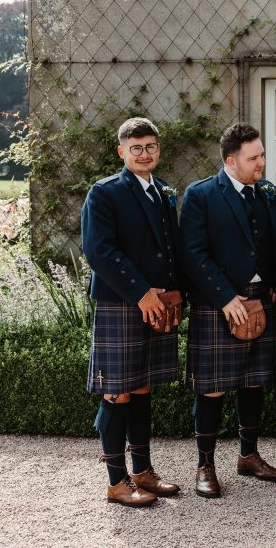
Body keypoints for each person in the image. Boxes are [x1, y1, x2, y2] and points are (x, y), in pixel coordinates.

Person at [82, 117, 183, 507]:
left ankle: (142, 471)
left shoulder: (162, 190)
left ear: (158, 149)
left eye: (150, 147)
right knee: (117, 390)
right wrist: (142, 293)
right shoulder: (104, 192)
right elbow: (100, 251)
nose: (144, 154)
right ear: (121, 151)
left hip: (158, 302)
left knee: (143, 386)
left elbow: (171, 247)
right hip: (122, 303)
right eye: (136, 148)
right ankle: (116, 481)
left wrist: (175, 292)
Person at [180, 123, 276, 498]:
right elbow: (193, 253)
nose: (261, 163)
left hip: (259, 298)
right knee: (212, 388)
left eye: (262, 155)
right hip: (219, 302)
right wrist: (225, 298)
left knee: (254, 380)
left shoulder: (266, 193)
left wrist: (274, 283)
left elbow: (275, 244)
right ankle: (204, 465)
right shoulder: (202, 194)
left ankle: (248, 456)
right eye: (253, 158)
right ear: (230, 161)